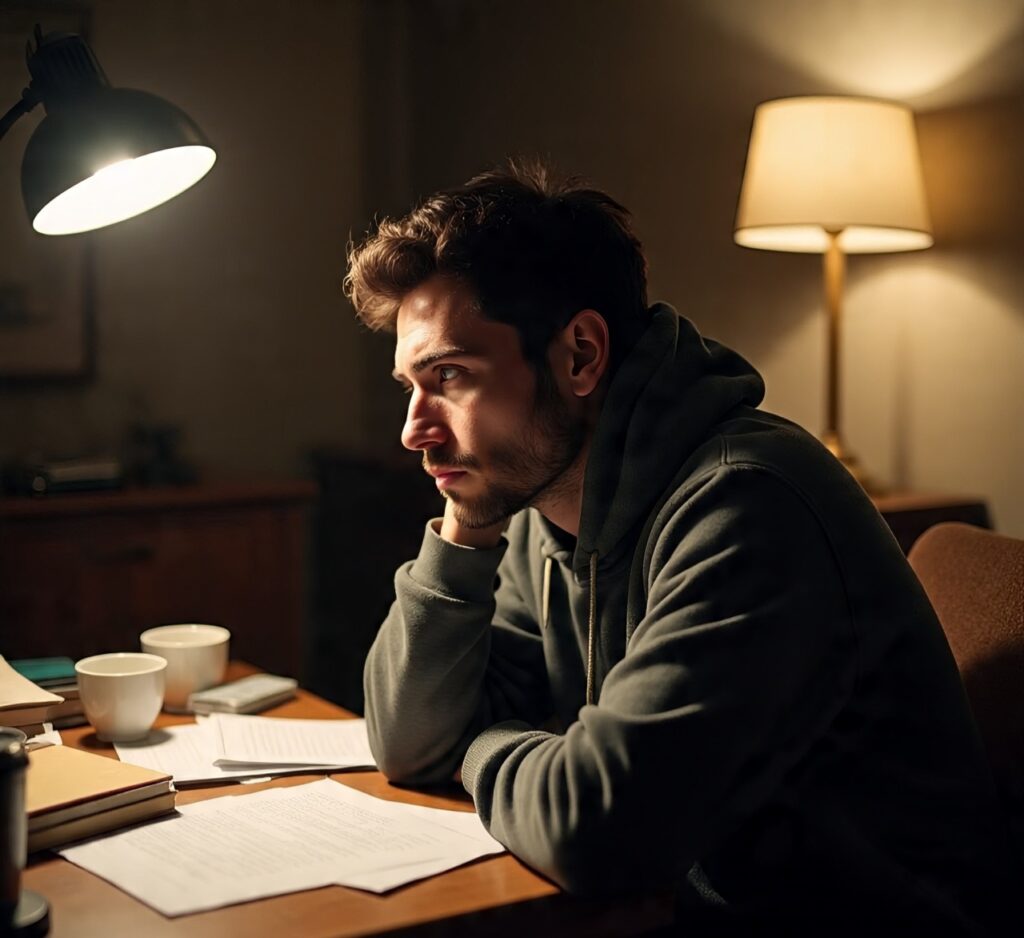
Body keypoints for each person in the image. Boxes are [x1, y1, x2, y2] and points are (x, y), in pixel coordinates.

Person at [345, 160, 1013, 935]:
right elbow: (407, 742)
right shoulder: (540, 507)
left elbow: (598, 829)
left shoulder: (750, 505)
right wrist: (466, 525)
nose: (413, 431)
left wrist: (477, 747)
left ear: (581, 355)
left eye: (451, 376)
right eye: (410, 386)